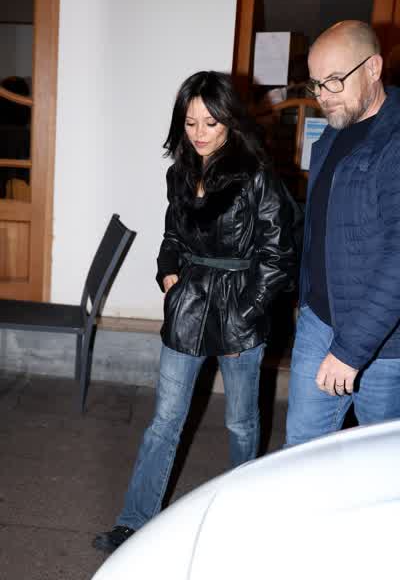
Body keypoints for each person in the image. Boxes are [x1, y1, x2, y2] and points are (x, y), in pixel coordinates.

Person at [93, 71, 297, 552]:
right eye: (190, 122)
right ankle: (135, 521)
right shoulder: (181, 174)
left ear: (230, 120)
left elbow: (277, 256)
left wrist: (247, 314)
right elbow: (172, 237)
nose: (200, 133)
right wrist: (168, 276)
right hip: (189, 305)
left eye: (210, 122)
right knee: (164, 421)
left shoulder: (256, 176)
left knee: (241, 423)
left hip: (241, 306)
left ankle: (242, 512)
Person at [285, 20, 400, 447]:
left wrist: (351, 351)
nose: (322, 96)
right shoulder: (335, 134)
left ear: (373, 68)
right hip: (319, 320)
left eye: (334, 80)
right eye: (316, 84)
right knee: (300, 451)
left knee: (378, 462)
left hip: (384, 345)